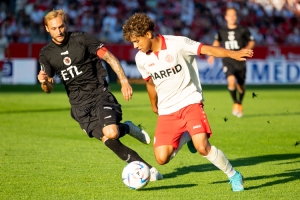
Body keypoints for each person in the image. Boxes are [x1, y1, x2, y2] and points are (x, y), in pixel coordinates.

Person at [122, 13, 253, 192]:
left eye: (136, 41)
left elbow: (207, 49)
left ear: (148, 34)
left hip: (190, 101)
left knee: (202, 146)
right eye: (132, 43)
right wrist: (154, 104)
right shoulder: (141, 58)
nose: (135, 46)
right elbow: (150, 83)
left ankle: (233, 175)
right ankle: (187, 134)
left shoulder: (178, 44)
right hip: (167, 110)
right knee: (161, 158)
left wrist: (233, 53)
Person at [37, 9, 163, 181]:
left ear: (65, 25)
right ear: (47, 29)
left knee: (111, 132)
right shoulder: (46, 53)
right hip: (79, 107)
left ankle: (125, 128)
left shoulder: (82, 39)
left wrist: (124, 81)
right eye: (54, 28)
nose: (59, 32)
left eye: (61, 26)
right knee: (109, 140)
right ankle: (149, 170)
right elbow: (49, 88)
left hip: (99, 96)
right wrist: (44, 82)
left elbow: (109, 57)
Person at [207, 7, 255, 118]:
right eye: (230, 15)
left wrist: (246, 49)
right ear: (226, 17)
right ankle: (236, 103)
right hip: (228, 59)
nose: (232, 17)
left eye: (234, 15)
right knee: (231, 81)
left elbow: (252, 41)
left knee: (241, 86)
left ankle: (239, 103)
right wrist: (211, 55)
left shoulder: (243, 30)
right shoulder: (222, 31)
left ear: (236, 17)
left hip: (240, 60)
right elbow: (216, 42)